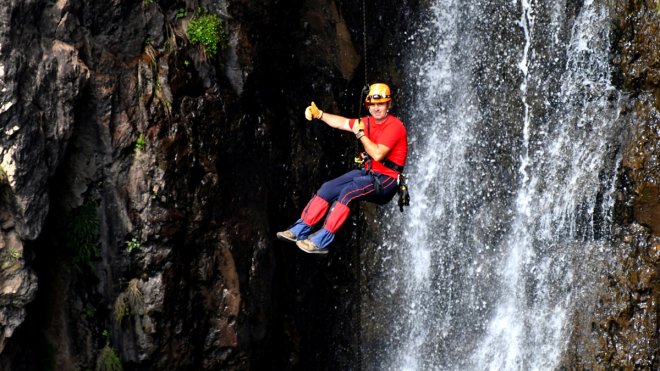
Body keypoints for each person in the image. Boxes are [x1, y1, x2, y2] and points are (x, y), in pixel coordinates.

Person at [277, 83, 408, 254]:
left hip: (386, 181)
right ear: (368, 105)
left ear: (388, 105)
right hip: (370, 174)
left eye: (381, 104)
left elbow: (377, 154)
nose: (376, 108)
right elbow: (342, 123)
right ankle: (300, 229)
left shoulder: (394, 126)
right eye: (373, 104)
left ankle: (321, 241)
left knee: (349, 191)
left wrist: (360, 134)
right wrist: (320, 114)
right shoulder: (367, 122)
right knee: (328, 188)